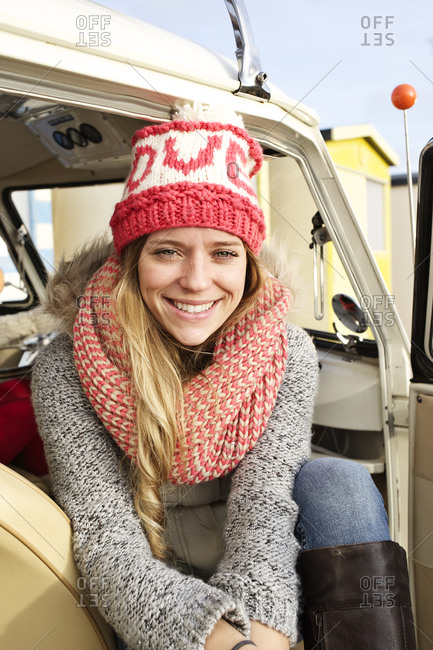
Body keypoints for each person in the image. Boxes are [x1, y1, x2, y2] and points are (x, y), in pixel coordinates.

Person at [31, 104, 416, 650]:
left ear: (247, 264)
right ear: (132, 260)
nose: (196, 280)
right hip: (145, 585)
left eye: (222, 253)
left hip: (260, 563)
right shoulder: (68, 366)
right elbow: (107, 542)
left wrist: (257, 637)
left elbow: (265, 507)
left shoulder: (285, 352)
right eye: (167, 251)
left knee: (340, 484)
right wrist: (220, 641)